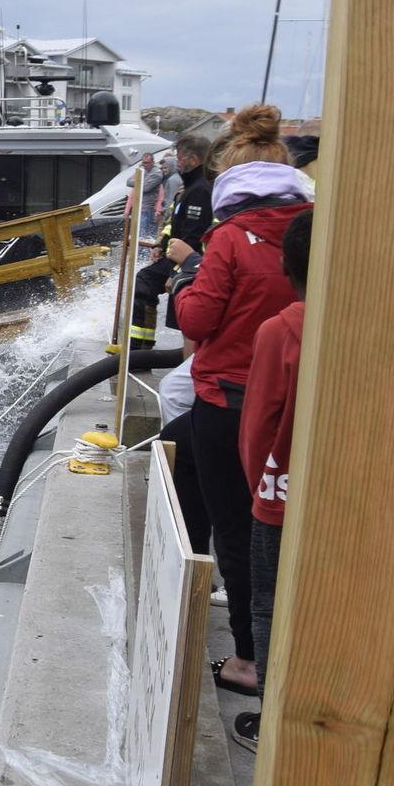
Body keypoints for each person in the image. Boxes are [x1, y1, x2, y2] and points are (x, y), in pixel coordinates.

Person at [174, 104, 313, 698]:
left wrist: (185, 281)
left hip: (231, 402)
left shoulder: (228, 239)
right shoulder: (316, 226)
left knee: (236, 530)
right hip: (305, 399)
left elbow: (198, 319)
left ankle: (249, 657)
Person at [232, 208, 313, 745]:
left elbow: (257, 425)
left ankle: (271, 719)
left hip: (279, 498)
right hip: (344, 502)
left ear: (287, 265)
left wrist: (258, 487)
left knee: (270, 605)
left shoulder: (280, 329)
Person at [129, 135, 214, 347]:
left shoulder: (201, 191)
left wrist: (177, 270)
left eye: (180, 157)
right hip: (176, 255)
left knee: (145, 281)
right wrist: (161, 244)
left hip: (190, 263)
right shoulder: (187, 189)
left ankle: (140, 348)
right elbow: (174, 224)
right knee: (143, 283)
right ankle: (139, 347)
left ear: (193, 160)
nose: (177, 162)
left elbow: (193, 237)